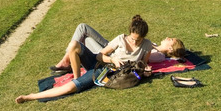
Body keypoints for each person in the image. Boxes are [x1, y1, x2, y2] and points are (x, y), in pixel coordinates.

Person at [15, 15, 153, 104]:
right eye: (133, 39)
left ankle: (30, 96)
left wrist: (146, 71)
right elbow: (100, 55)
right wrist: (113, 60)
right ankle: (76, 76)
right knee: (74, 45)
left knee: (69, 88)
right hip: (102, 63)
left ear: (144, 37)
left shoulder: (147, 45)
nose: (135, 42)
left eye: (138, 40)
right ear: (130, 33)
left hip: (105, 73)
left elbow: (143, 64)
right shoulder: (120, 39)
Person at [50, 23, 186, 73]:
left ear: (171, 49)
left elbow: (143, 60)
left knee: (83, 34)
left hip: (114, 54)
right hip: (113, 47)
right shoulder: (152, 44)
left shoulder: (158, 54)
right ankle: (68, 59)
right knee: (83, 30)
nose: (168, 38)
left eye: (171, 40)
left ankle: (66, 61)